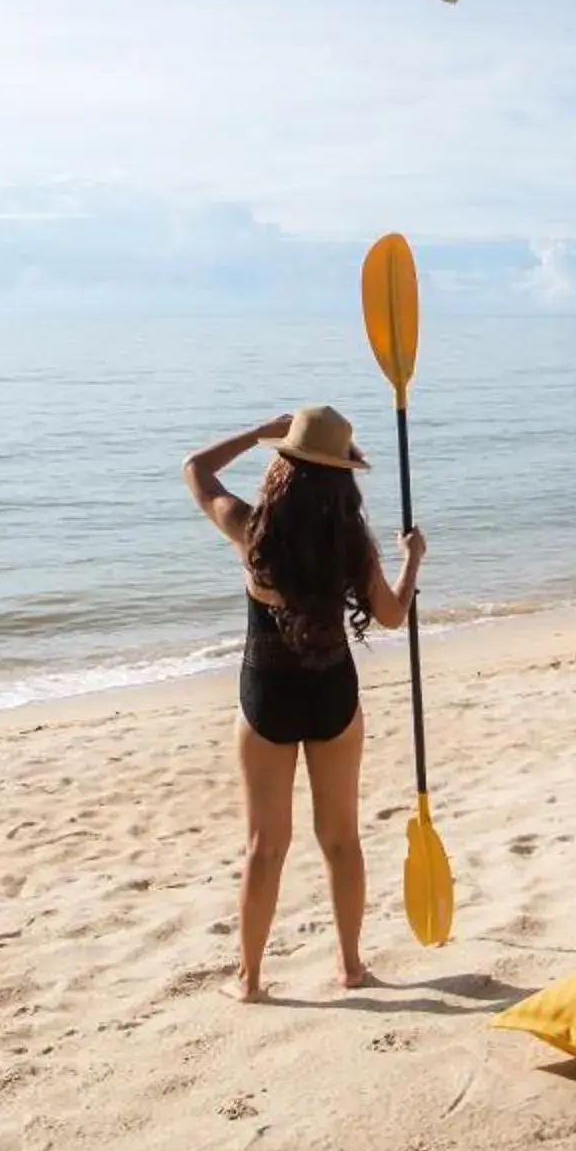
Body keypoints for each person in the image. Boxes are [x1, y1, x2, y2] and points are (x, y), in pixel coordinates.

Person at [182, 405, 427, 1001]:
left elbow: (196, 468)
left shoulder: (250, 528)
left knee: (265, 846)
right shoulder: (350, 544)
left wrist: (261, 430)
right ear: (343, 477)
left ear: (282, 466)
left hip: (266, 696)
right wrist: (412, 559)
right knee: (340, 840)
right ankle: (349, 967)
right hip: (331, 696)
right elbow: (392, 616)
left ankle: (251, 981)